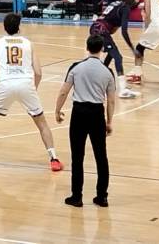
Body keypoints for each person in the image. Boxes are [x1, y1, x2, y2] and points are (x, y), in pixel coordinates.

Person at [0, 14, 63, 171]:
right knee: (42, 123)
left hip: (5, 84)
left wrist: (6, 82)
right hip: (26, 84)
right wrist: (33, 89)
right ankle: (54, 159)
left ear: (4, 27)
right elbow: (38, 72)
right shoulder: (29, 44)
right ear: (19, 27)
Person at [55, 35, 115, 208]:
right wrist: (109, 121)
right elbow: (110, 100)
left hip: (79, 113)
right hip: (97, 114)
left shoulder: (76, 67)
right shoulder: (107, 72)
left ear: (87, 48)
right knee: (101, 156)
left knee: (77, 156)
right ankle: (102, 196)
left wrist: (58, 110)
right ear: (102, 49)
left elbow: (63, 91)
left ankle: (77, 196)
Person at [89, 0, 138, 98]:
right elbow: (124, 32)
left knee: (112, 53)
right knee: (118, 57)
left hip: (95, 27)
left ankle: (98, 78)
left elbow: (109, 20)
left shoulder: (115, 4)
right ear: (130, 1)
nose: (136, 0)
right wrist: (132, 48)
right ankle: (123, 89)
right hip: (101, 31)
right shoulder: (126, 8)